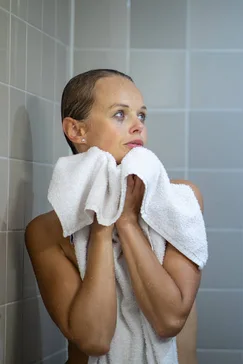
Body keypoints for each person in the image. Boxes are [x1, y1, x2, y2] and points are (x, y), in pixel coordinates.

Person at [24, 69, 202, 363]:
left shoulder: (179, 202)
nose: (138, 127)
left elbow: (169, 320)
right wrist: (103, 224)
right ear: (77, 130)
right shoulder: (46, 231)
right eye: (120, 115)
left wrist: (129, 222)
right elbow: (94, 340)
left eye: (141, 116)